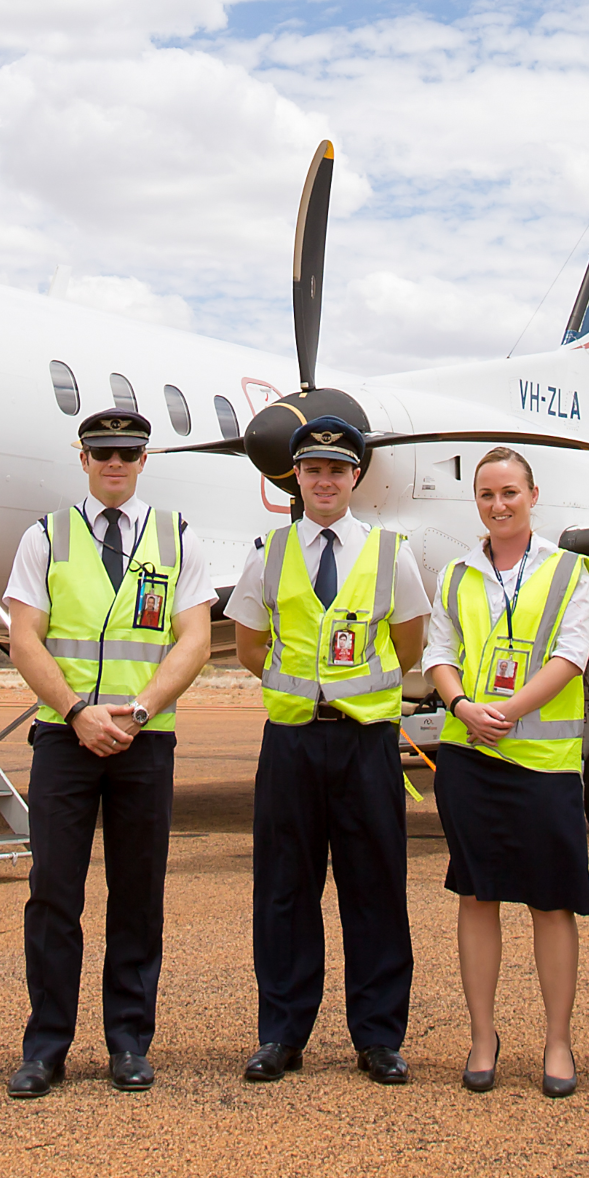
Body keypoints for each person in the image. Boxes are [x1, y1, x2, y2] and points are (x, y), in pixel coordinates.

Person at [0, 407, 215, 1098]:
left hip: (144, 740)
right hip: (64, 738)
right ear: (83, 459)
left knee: (136, 896)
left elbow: (194, 639)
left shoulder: (177, 536)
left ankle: (128, 1042)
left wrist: (142, 708)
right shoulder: (45, 537)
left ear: (143, 460)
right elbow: (24, 636)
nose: (113, 464)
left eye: (125, 453)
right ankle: (46, 1047)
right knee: (53, 895)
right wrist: (75, 711)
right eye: (101, 453)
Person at [227, 414, 431, 1084]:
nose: (324, 480)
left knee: (374, 887)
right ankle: (281, 1034)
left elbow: (408, 646)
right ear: (297, 476)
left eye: (337, 470)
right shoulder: (268, 550)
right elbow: (251, 649)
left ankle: (378, 1038)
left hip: (365, 741)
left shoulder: (390, 551)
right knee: (284, 891)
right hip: (290, 741)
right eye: (312, 469)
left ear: (355, 478)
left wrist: (353, 695)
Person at [421, 445, 589, 1099]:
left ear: (532, 496)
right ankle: (482, 1036)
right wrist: (462, 705)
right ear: (476, 503)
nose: (498, 505)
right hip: (469, 759)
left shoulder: (570, 572)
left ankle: (557, 1039)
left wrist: (508, 711)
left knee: (551, 904)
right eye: (486, 495)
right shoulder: (455, 576)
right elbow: (439, 652)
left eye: (509, 493)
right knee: (476, 895)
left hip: (542, 763)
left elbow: (569, 656)